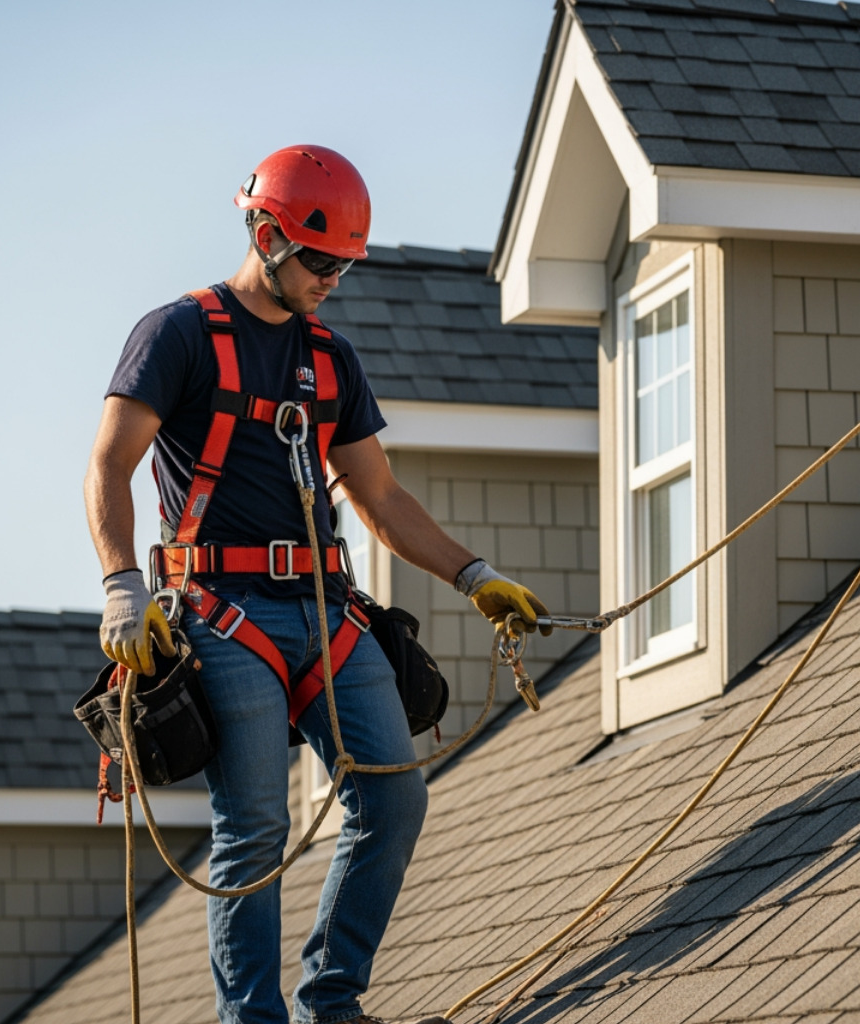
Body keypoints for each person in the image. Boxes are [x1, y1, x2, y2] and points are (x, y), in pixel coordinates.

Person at [83, 144, 548, 1024]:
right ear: (264, 234)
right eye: (319, 259)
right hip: (223, 617)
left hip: (327, 612)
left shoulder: (330, 361)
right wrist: (119, 586)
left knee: (395, 795)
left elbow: (379, 497)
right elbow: (107, 468)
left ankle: (329, 1004)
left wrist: (473, 573)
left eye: (344, 263)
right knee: (254, 826)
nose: (334, 277)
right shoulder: (178, 334)